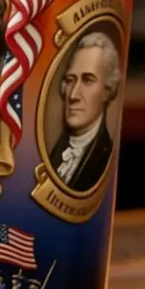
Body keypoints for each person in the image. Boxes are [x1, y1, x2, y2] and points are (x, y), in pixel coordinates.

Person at [49, 30, 121, 191]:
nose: (73, 95)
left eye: (88, 80)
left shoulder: (104, 157)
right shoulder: (54, 153)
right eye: (70, 80)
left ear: (108, 90)